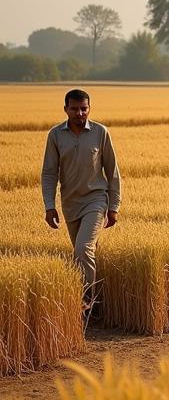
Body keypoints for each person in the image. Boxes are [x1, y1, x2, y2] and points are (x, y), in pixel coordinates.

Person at [40, 88, 121, 310]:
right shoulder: (55, 135)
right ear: (65, 109)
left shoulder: (100, 132)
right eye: (74, 109)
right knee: (83, 253)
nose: (79, 113)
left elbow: (112, 171)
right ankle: (98, 300)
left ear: (89, 109)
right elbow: (49, 173)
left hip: (96, 200)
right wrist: (49, 206)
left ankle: (86, 302)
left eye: (83, 109)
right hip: (70, 204)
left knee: (83, 248)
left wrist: (113, 206)